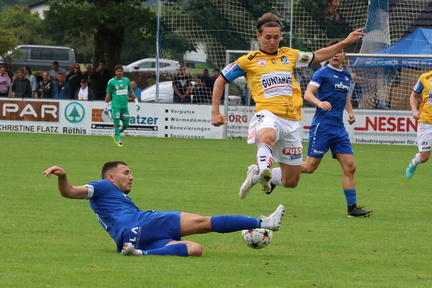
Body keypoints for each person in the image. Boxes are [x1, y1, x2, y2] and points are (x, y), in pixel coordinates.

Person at [211, 12, 364, 200]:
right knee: (267, 136)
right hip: (267, 113)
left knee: (291, 181)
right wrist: (215, 112)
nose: (272, 41)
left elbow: (318, 56)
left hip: (291, 120)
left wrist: (345, 43)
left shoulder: (289, 55)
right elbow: (220, 81)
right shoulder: (247, 60)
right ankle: (263, 169)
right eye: (267, 37)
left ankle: (257, 176)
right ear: (259, 36)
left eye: (276, 37)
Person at [42, 161, 286, 257]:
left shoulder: (110, 197)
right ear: (110, 176)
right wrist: (63, 177)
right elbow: (71, 192)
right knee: (204, 222)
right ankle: (264, 223)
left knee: (195, 250)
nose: (131, 177)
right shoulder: (104, 186)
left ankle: (139, 254)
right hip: (143, 222)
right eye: (126, 172)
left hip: (133, 239)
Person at [300, 39, 373, 218]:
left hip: (338, 129)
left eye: (339, 51)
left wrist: (351, 112)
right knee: (309, 168)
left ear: (343, 54)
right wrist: (319, 102)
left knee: (350, 167)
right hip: (322, 127)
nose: (335, 54)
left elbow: (345, 96)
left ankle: (352, 209)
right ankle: (272, 174)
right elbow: (308, 94)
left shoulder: (347, 76)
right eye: (333, 51)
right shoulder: (322, 73)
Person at [104, 64, 140, 147]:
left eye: (121, 71)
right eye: (118, 71)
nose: (119, 73)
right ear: (115, 72)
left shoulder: (126, 81)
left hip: (124, 106)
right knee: (116, 122)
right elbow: (108, 94)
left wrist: (136, 102)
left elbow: (131, 91)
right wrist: (106, 106)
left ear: (122, 72)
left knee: (126, 124)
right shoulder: (111, 82)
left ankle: (115, 134)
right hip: (115, 105)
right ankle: (118, 140)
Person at [405, 69, 432, 179]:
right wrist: (415, 111)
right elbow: (414, 95)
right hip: (426, 121)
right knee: (424, 157)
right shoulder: (425, 77)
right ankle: (414, 163)